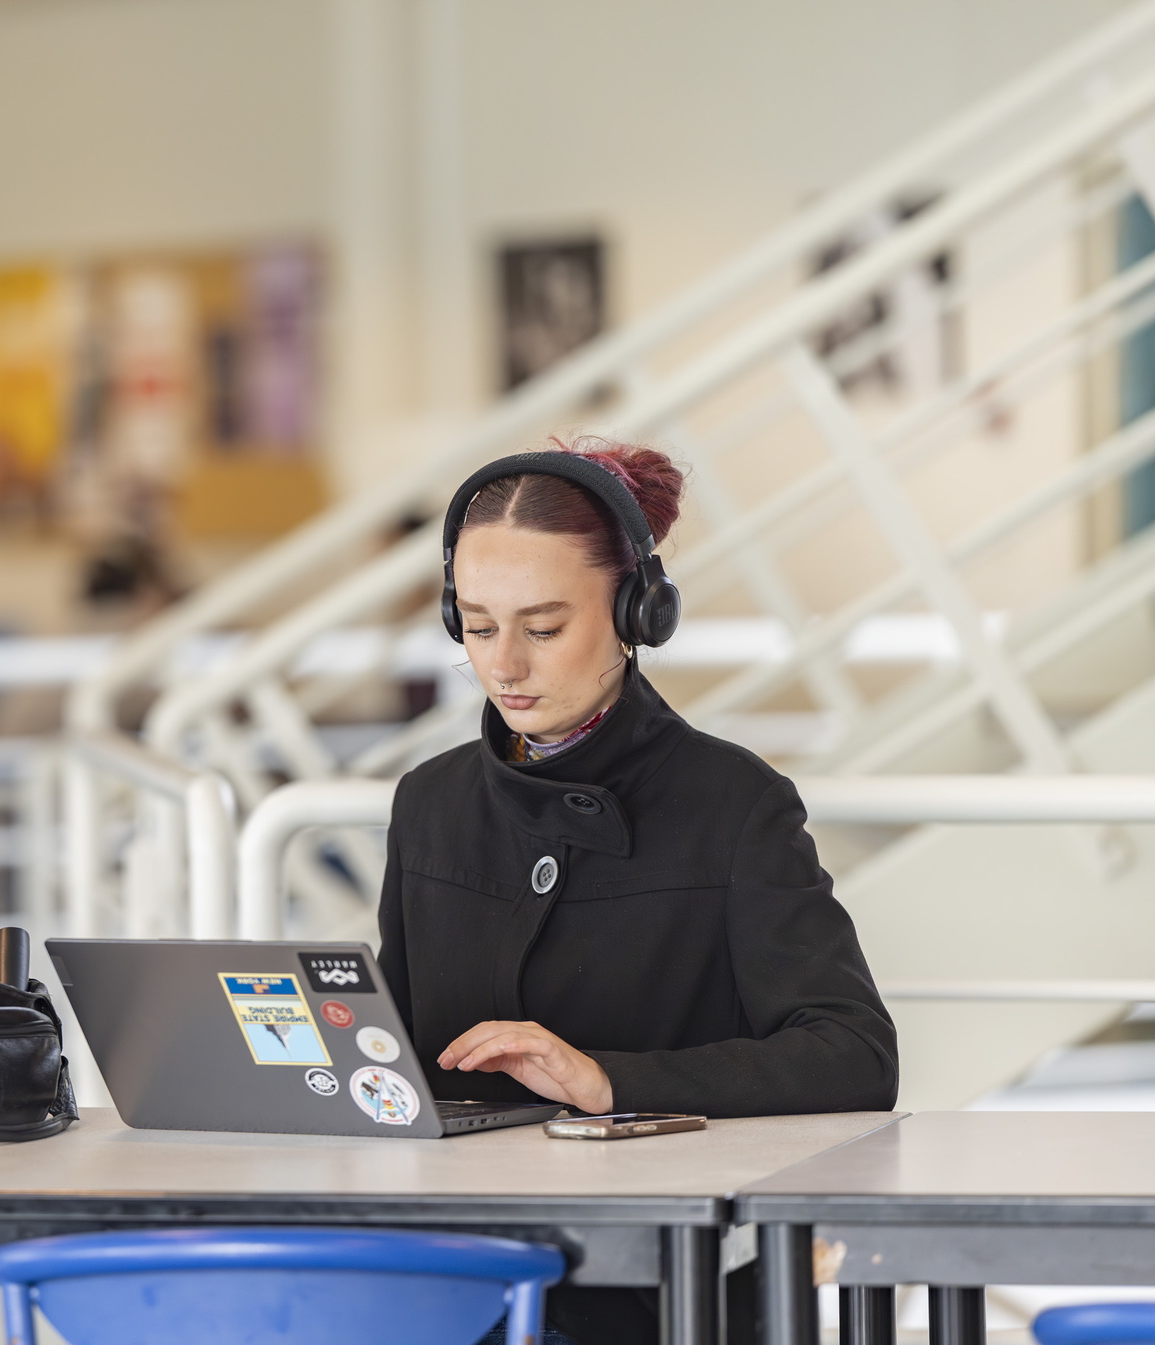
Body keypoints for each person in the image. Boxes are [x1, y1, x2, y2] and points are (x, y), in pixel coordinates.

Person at [378, 436, 896, 1345]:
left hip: (659, 1287)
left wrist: (610, 1080)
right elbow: (398, 1059)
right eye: (477, 624)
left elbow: (854, 1054)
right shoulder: (430, 804)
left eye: (542, 628)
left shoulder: (734, 803)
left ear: (636, 613)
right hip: (459, 1268)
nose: (504, 666)